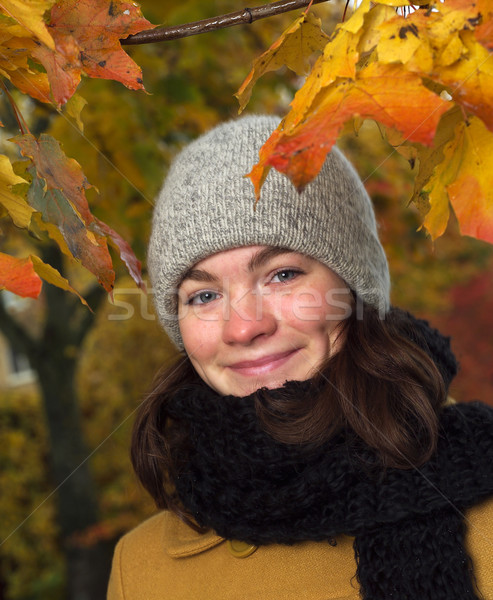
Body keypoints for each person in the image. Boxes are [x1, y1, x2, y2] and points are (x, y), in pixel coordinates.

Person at [107, 115, 493, 600]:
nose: (245, 326)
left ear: (354, 292)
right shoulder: (140, 568)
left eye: (283, 274)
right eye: (203, 296)